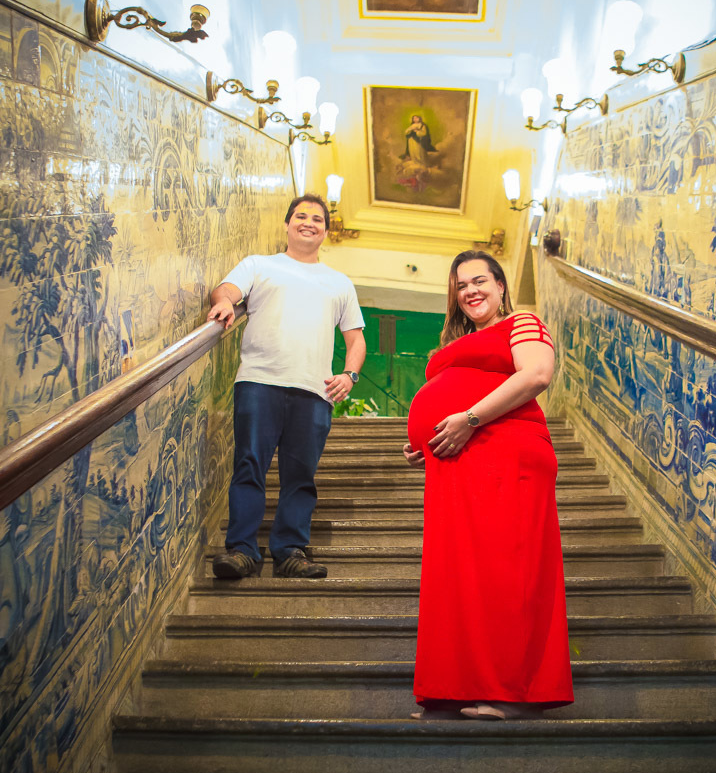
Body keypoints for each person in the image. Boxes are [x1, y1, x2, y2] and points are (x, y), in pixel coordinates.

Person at [403, 250, 573, 719]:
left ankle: (515, 692)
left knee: (507, 570)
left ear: (501, 285)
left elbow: (537, 373)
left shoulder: (523, 322)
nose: (471, 291)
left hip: (510, 452)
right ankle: (453, 687)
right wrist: (430, 439)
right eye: (461, 286)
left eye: (480, 281)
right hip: (459, 460)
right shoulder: (458, 343)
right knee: (457, 574)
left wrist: (469, 417)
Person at [208, 194, 366, 581]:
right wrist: (225, 303)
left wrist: (349, 375)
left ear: (326, 231)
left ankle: (290, 550)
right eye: (301, 216)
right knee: (249, 465)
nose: (308, 222)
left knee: (300, 475)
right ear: (287, 224)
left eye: (317, 218)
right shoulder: (259, 265)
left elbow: (356, 339)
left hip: (315, 392)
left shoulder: (339, 282)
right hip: (259, 381)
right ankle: (243, 551)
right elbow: (226, 289)